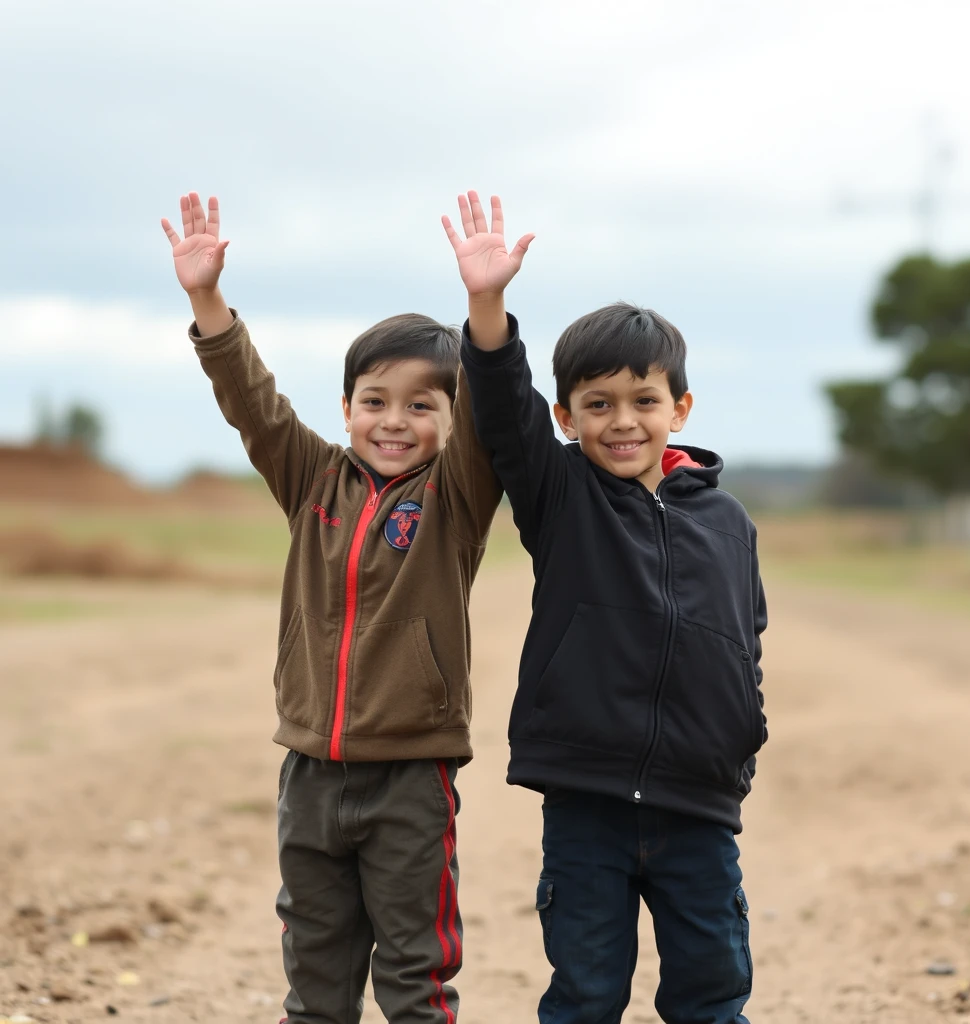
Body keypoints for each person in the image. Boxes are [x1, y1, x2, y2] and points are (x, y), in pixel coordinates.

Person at [161, 192, 502, 1024]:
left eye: (422, 406)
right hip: (310, 774)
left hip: (410, 780)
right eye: (374, 401)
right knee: (314, 979)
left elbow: (496, 415)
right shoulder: (313, 480)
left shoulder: (456, 496)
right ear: (346, 407)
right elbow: (251, 401)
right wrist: (207, 301)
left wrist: (484, 307)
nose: (394, 421)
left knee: (414, 983)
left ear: (453, 422)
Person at [441, 191, 768, 1024]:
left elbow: (744, 641)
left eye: (643, 401)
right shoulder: (561, 495)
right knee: (586, 990)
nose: (622, 422)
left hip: (699, 807)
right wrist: (488, 305)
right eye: (597, 405)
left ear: (680, 409)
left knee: (713, 989)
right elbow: (505, 412)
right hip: (587, 802)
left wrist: (742, 739)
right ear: (567, 417)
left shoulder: (727, 522)